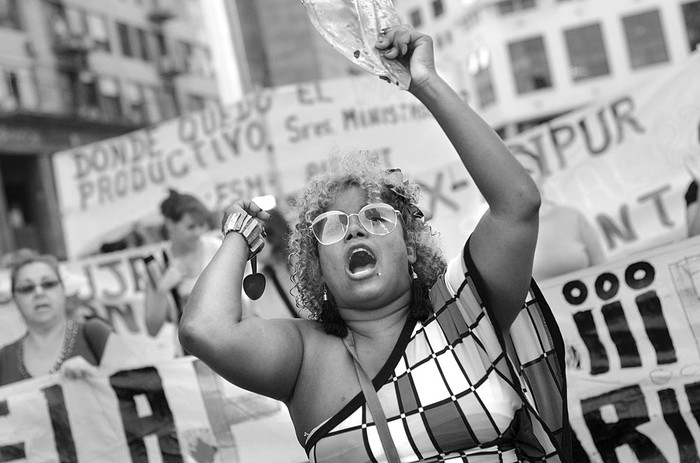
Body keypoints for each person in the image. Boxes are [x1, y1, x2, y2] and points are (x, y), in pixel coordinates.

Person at [180, 26, 571, 462]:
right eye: (331, 227)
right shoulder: (305, 357)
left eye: (376, 218)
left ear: (409, 247)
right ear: (317, 266)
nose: (354, 230)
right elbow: (204, 330)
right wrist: (241, 232)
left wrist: (425, 84)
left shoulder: (464, 308)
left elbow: (517, 204)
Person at [0, 254, 113, 386]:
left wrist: (97, 376)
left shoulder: (95, 334)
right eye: (27, 288)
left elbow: (134, 380)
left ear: (63, 289)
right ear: (15, 298)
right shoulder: (4, 359)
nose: (39, 293)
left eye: (48, 284)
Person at [515, 152, 605, 281]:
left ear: (543, 175)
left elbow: (602, 267)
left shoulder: (573, 217)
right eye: (515, 174)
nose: (523, 179)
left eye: (528, 171)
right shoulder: (505, 232)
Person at [143, 189, 220, 337]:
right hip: (189, 349)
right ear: (170, 224)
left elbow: (242, 303)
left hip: (224, 341)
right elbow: (152, 329)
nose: (198, 232)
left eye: (201, 225)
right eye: (190, 227)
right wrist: (162, 290)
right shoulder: (157, 264)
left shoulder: (216, 249)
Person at [247, 206, 301, 319]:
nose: (249, 247)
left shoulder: (302, 263)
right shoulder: (260, 279)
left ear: (273, 235)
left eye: (254, 238)